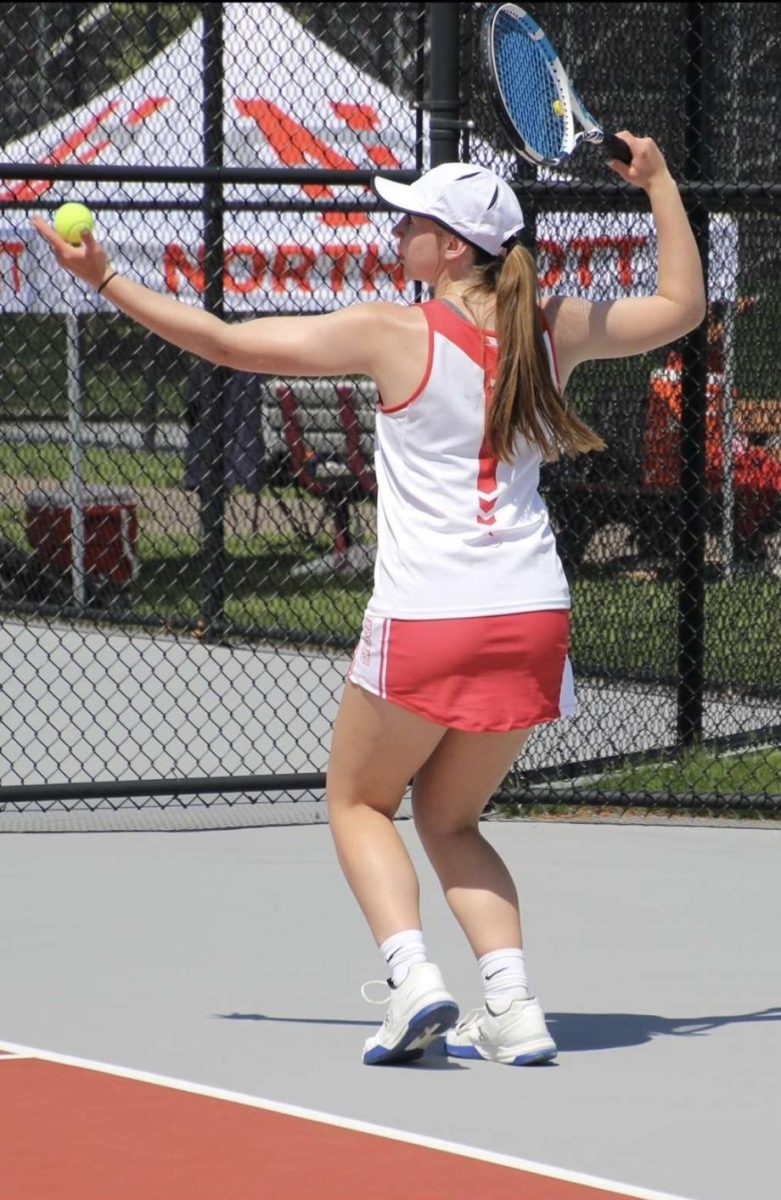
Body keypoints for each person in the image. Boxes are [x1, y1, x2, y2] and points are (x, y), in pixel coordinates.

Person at [33, 131, 705, 1067]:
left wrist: (105, 277)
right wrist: (661, 183)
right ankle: (512, 1007)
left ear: (456, 248)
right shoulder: (550, 329)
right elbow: (682, 305)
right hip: (531, 620)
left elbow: (224, 342)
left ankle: (414, 981)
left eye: (414, 221)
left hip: (431, 614)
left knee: (354, 801)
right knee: (449, 818)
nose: (397, 231)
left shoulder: (391, 331)